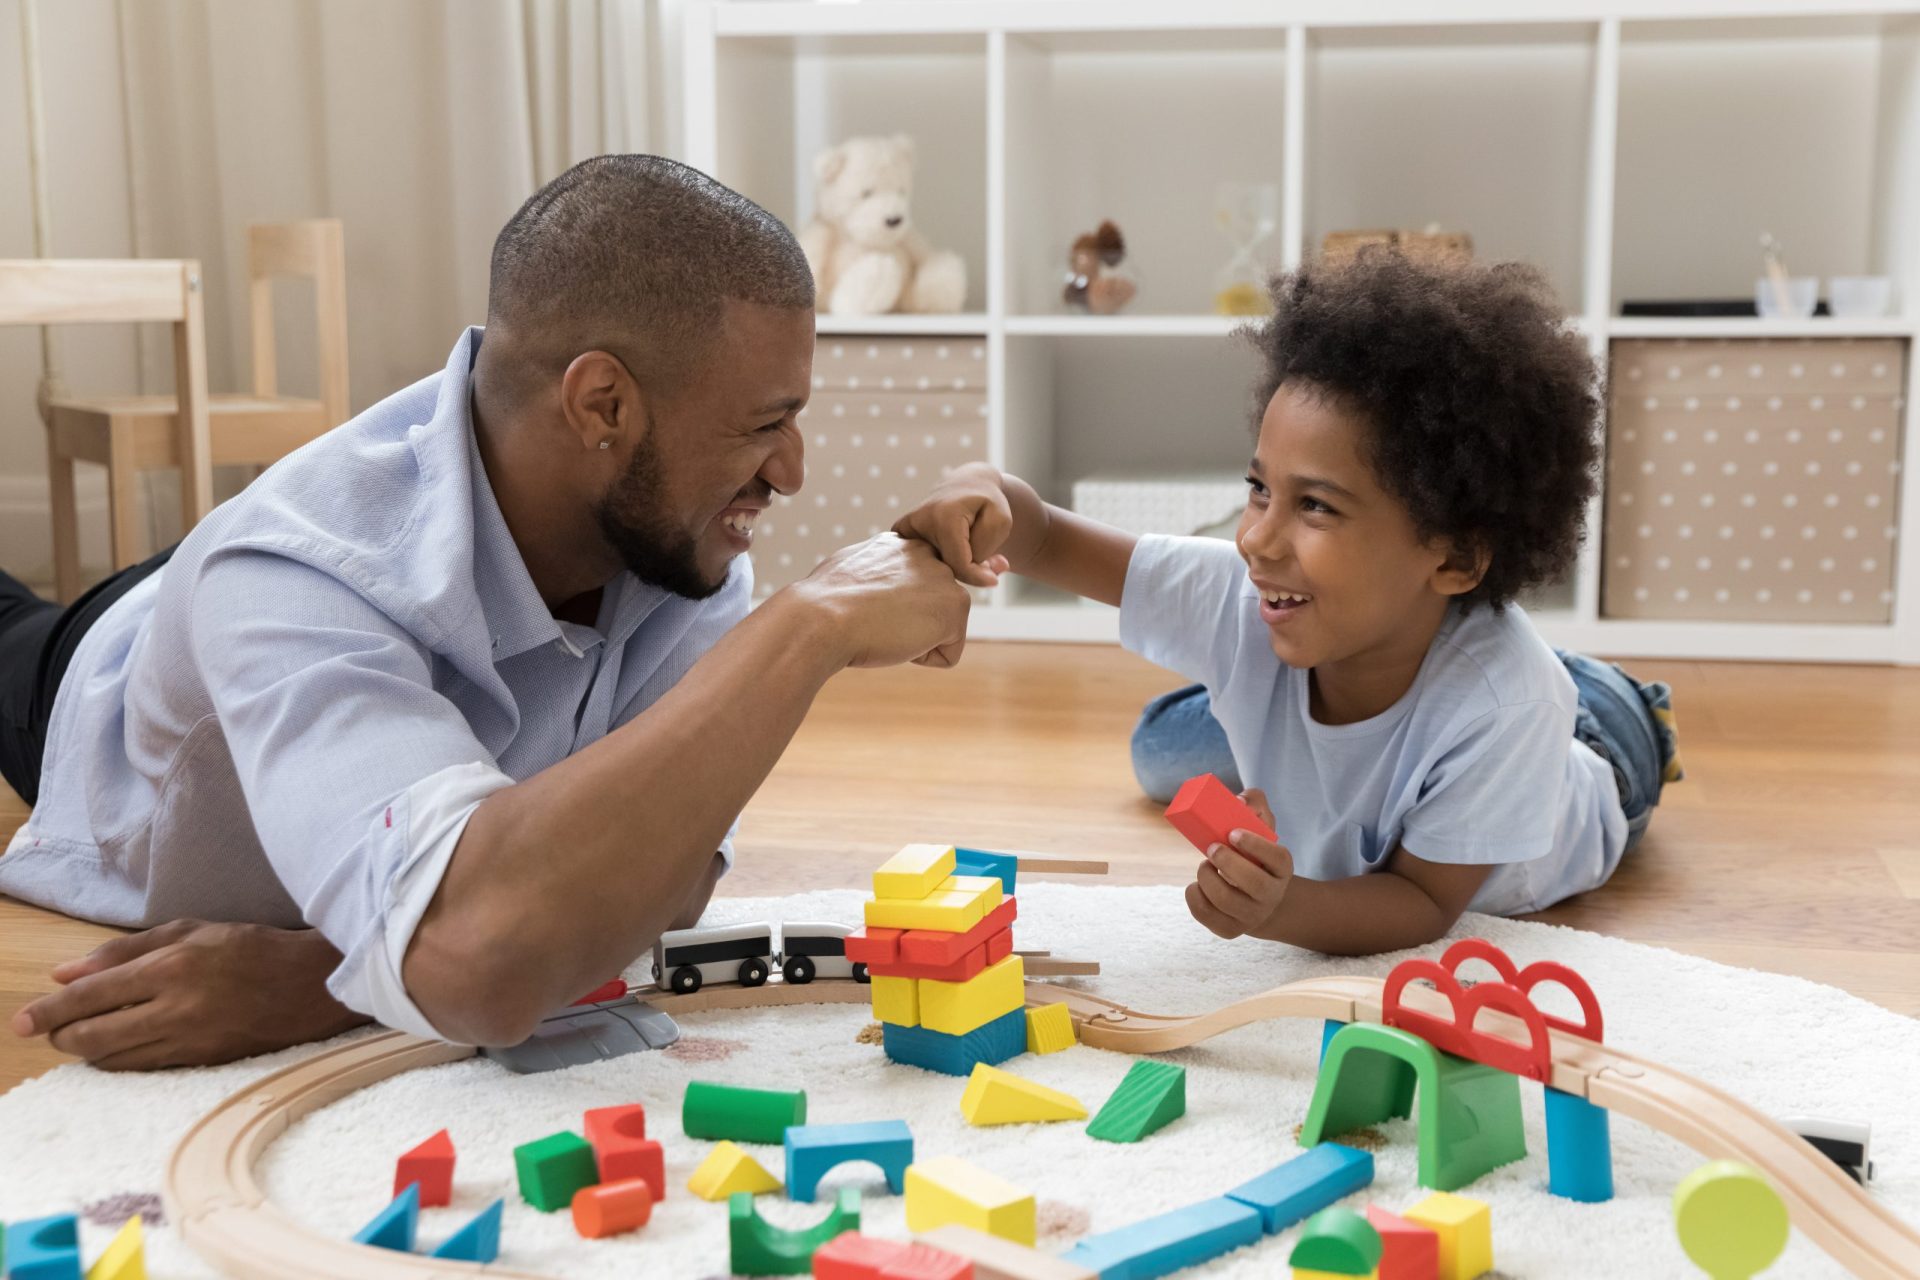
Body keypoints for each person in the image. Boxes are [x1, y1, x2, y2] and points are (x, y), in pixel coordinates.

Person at [0, 155, 978, 1069]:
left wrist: (319, 978)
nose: (793, 471)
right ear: (601, 405)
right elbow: (480, 958)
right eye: (766, 424)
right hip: (105, 663)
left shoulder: (682, 547)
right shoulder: (289, 578)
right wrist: (810, 626)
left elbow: (664, 877)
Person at [895, 252, 1681, 956]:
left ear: (1455, 555)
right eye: (1259, 489)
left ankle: (1627, 703)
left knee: (1533, 686)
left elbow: (1422, 902)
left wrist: (1284, 906)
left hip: (1597, 742)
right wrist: (980, 489)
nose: (1257, 541)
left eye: (1316, 508)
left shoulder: (1508, 704)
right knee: (1156, 751)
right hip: (1389, 640)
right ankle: (1272, 714)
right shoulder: (1255, 590)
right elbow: (1045, 540)